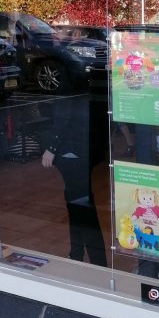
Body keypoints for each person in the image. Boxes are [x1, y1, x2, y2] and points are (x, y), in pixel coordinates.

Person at [42, 92, 107, 267]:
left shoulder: (68, 84)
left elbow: (64, 113)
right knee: (77, 204)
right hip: (83, 146)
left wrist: (51, 147)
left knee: (82, 208)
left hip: (72, 148)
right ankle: (78, 255)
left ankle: (97, 262)